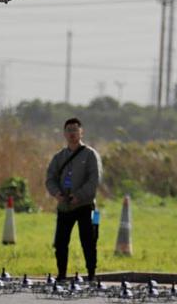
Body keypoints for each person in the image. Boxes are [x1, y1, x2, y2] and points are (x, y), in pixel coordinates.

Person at [46, 118, 102, 281]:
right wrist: (57, 193)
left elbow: (94, 180)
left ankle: (91, 274)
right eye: (69, 130)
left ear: (81, 132)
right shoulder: (59, 157)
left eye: (75, 130)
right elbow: (50, 178)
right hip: (65, 207)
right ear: (64, 133)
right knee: (60, 243)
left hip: (85, 206)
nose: (72, 133)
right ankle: (61, 274)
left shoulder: (90, 154)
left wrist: (79, 196)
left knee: (89, 241)